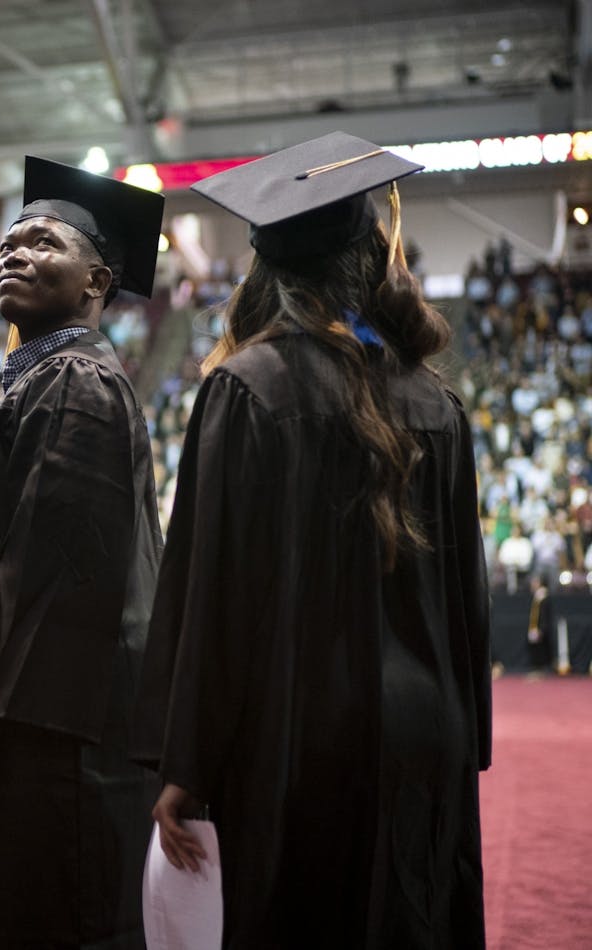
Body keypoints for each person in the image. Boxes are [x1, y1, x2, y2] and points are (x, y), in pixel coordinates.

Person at [134, 132, 491, 946]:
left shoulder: (247, 390)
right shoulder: (437, 403)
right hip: (426, 735)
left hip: (299, 740)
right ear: (368, 259)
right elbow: (466, 601)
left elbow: (213, 592)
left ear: (266, 270)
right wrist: (464, 736)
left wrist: (182, 762)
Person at [0, 156, 165, 948]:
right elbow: (7, 563)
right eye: (9, 241)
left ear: (98, 280)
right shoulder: (46, 378)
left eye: (44, 241)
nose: (13, 253)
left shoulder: (78, 384)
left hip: (58, 735)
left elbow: (56, 572)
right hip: (38, 717)